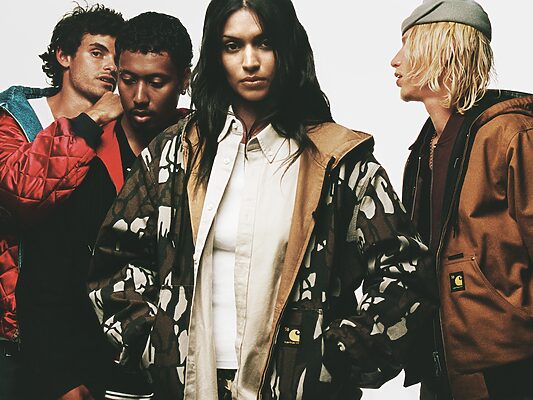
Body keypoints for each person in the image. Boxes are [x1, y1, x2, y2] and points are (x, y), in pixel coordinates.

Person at [88, 0, 434, 399]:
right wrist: (154, 343)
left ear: (287, 48)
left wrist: (334, 358)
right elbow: (115, 256)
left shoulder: (337, 158)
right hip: (192, 386)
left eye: (264, 43)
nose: (250, 62)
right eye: (233, 46)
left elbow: (407, 271)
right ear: (216, 56)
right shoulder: (176, 152)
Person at [390, 1, 533, 399]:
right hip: (441, 364)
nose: (395, 60)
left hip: (508, 366)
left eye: (407, 45)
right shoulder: (425, 148)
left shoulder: (512, 134)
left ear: (441, 49)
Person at [0, 4, 124, 400]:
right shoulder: (15, 119)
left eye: (116, 57)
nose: (110, 66)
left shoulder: (123, 130)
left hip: (90, 336)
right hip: (15, 335)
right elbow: (21, 192)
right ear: (64, 56)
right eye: (97, 52)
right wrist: (90, 121)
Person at [99, 12, 193, 400]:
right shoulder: (85, 153)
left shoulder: (210, 152)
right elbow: (55, 273)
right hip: (96, 371)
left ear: (185, 79)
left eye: (156, 82)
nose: (139, 96)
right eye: (128, 79)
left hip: (186, 373)